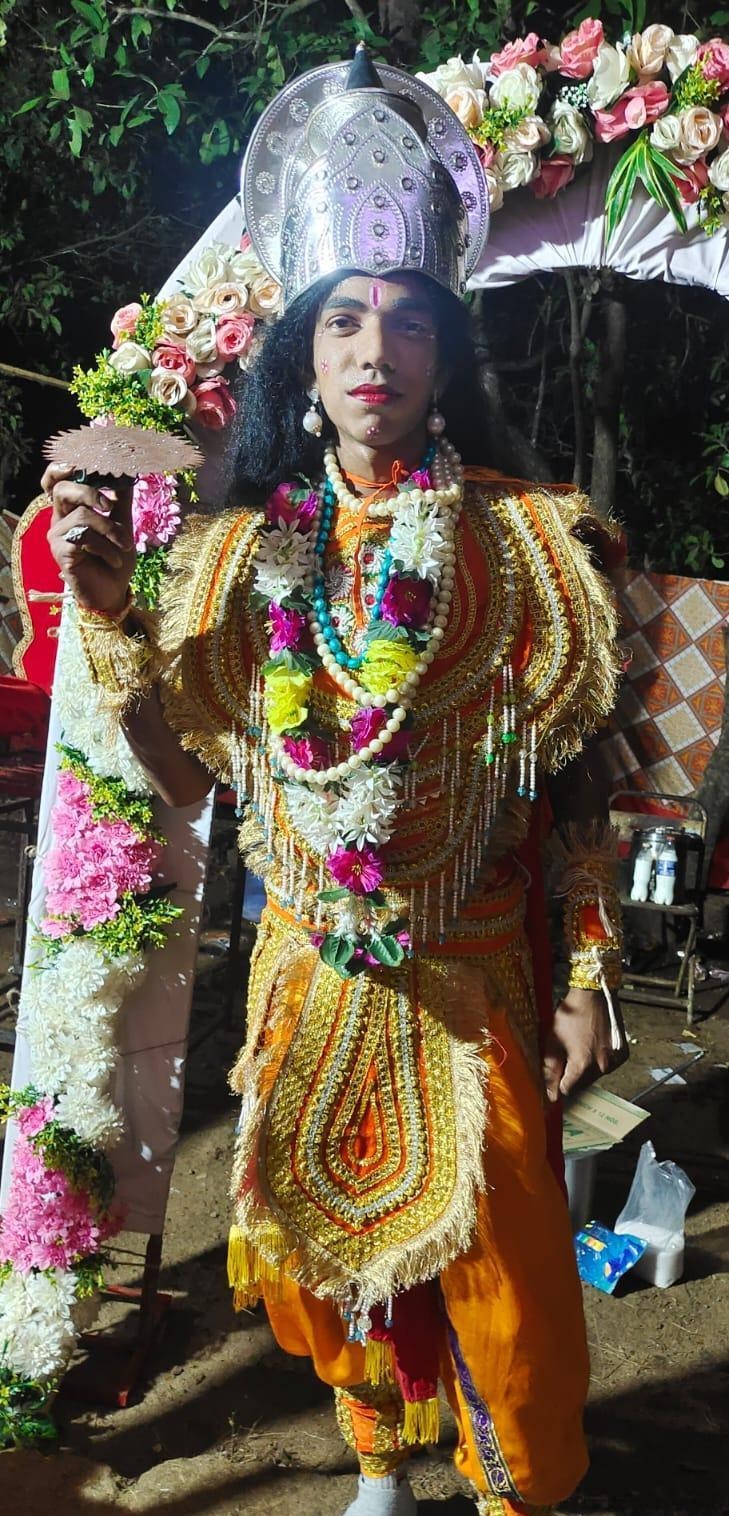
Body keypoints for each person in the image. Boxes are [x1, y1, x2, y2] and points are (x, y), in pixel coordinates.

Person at [42, 48, 627, 1516]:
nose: (378, 350)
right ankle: (377, 1464)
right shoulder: (237, 560)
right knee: (321, 1270)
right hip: (309, 968)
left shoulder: (533, 542)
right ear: (302, 356)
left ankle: (510, 1490)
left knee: (512, 1293)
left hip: (472, 975)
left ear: (447, 355)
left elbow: (576, 777)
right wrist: (110, 623)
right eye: (346, 320)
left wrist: (585, 975)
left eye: (410, 321)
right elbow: (187, 770)